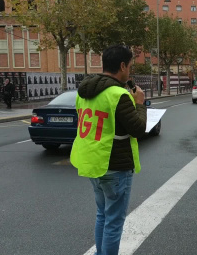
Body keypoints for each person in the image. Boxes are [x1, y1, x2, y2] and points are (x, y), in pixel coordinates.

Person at [70, 45, 147, 255]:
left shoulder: (84, 93)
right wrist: (139, 104)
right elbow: (138, 129)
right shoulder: (118, 95)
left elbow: (102, 125)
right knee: (114, 222)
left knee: (102, 215)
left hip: (93, 163)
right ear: (122, 66)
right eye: (130, 66)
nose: (130, 71)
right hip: (115, 166)